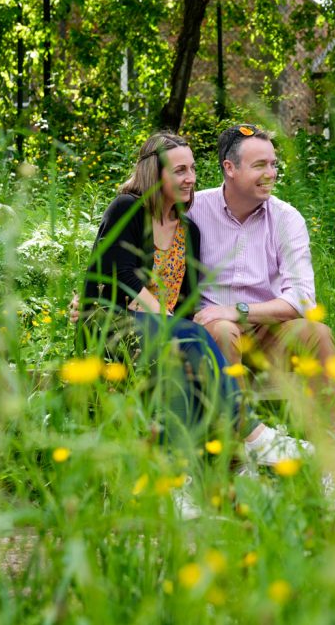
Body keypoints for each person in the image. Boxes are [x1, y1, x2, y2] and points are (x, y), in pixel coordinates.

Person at [69, 132, 314, 517]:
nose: (191, 178)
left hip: (164, 332)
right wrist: (169, 323)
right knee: (189, 340)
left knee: (182, 365)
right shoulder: (127, 209)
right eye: (180, 170)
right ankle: (254, 436)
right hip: (111, 326)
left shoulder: (188, 229)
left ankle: (179, 485)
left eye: (193, 169)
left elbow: (185, 299)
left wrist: (174, 326)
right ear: (155, 173)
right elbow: (122, 277)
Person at [188, 124, 335, 439]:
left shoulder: (286, 219)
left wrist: (237, 310)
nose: (271, 173)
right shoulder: (194, 211)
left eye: (273, 164)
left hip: (269, 332)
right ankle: (238, 460)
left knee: (319, 335)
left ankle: (331, 462)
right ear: (229, 168)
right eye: (260, 165)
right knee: (221, 329)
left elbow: (301, 299)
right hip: (215, 333)